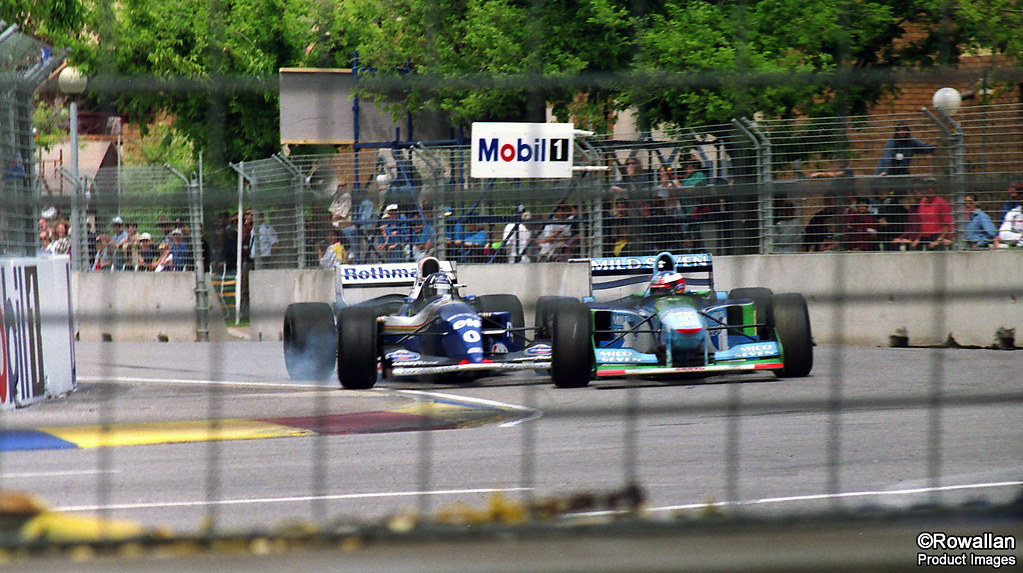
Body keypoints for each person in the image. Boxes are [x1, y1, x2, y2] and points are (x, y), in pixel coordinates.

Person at [915, 178, 953, 250]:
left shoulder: (941, 203)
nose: (927, 191)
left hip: (937, 236)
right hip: (925, 237)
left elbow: (946, 225)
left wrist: (938, 241)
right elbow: (922, 223)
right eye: (925, 189)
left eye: (931, 188)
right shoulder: (922, 203)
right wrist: (918, 239)